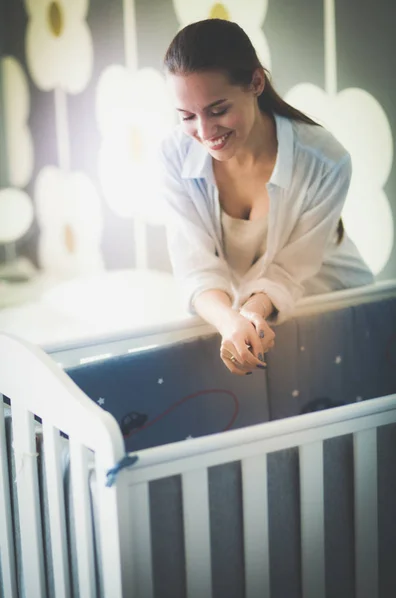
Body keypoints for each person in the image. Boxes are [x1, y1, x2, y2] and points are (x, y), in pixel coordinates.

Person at [158, 19, 374, 376]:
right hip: (257, 315)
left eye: (218, 110)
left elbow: (289, 272)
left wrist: (250, 313)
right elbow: (195, 269)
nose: (205, 131)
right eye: (187, 116)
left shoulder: (325, 160)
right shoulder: (173, 156)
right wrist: (231, 321)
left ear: (256, 83)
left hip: (336, 303)